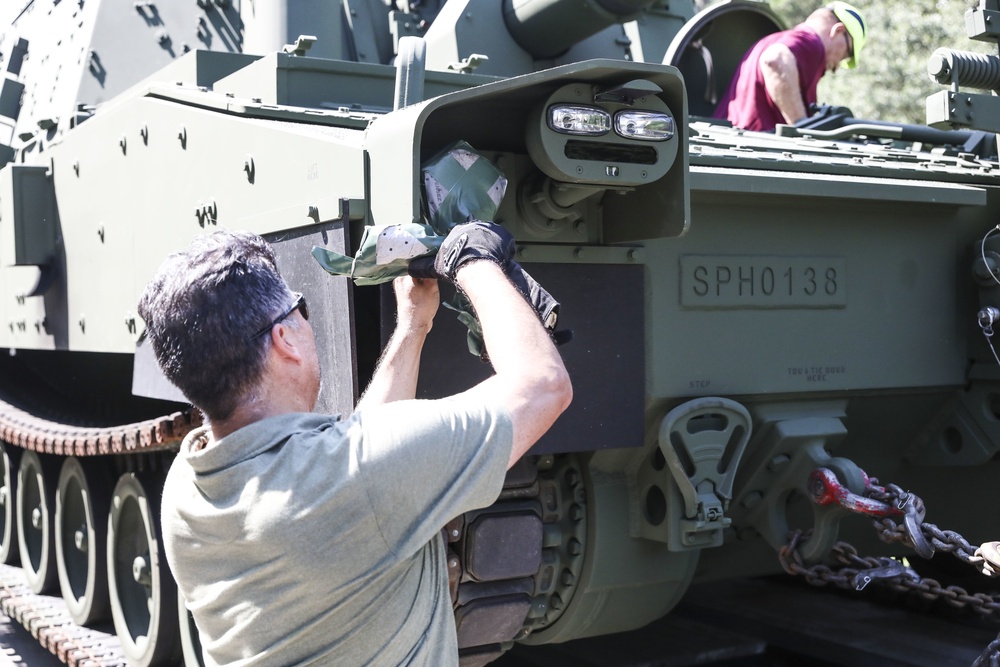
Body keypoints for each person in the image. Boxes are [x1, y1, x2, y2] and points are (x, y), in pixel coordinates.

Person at [137, 224, 572, 666]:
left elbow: (357, 469)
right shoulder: (352, 480)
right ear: (284, 339)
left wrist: (412, 329)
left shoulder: (186, 488)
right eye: (299, 309)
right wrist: (473, 259)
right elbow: (543, 386)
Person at [713, 2, 867, 132]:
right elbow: (775, 60)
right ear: (838, 31)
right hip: (750, 153)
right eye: (847, 54)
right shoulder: (811, 43)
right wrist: (802, 130)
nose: (837, 66)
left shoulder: (773, 39)